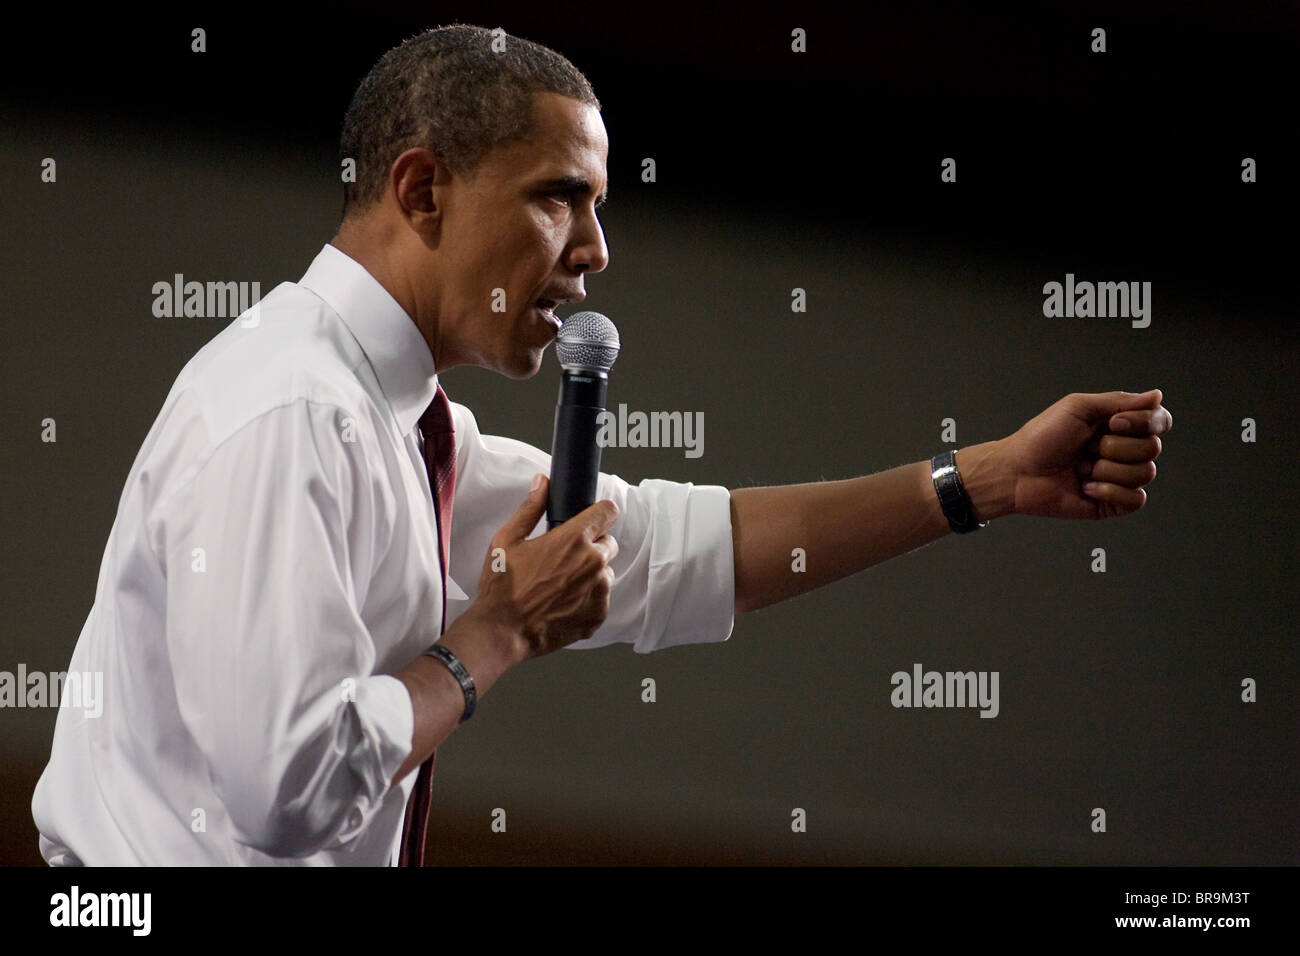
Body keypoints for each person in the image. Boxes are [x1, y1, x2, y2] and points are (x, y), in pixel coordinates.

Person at [31, 24, 1172, 866]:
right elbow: (285, 785)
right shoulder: (294, 413)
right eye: (558, 199)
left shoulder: (394, 419)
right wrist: (492, 634)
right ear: (422, 189)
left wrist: (985, 479)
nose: (594, 249)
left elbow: (674, 547)